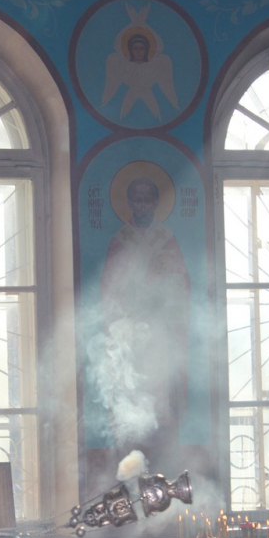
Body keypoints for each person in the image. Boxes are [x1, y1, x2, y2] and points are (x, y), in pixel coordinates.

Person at [99, 176, 190, 467]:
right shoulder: (120, 240)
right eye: (137, 199)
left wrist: (164, 290)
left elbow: (181, 283)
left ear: (155, 203)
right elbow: (109, 289)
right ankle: (132, 458)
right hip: (130, 334)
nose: (142, 204)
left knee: (162, 395)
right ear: (129, 203)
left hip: (160, 332)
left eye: (147, 199)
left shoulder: (166, 239)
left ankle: (164, 457)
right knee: (130, 393)